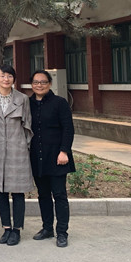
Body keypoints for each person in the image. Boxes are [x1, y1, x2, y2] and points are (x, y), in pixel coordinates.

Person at [0, 64, 34, 246]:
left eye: (9, 76)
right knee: (0, 190)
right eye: (2, 76)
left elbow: (28, 126)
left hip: (17, 150)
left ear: (14, 79)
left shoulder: (22, 99)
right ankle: (6, 227)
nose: (6, 79)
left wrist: (24, 147)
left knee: (18, 190)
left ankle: (17, 229)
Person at [29, 69, 76, 248]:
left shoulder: (60, 103)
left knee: (59, 194)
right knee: (43, 194)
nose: (39, 85)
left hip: (57, 156)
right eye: (36, 82)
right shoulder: (28, 103)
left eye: (43, 82)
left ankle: (62, 232)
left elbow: (68, 129)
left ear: (49, 84)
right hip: (37, 156)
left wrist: (64, 151)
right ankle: (47, 228)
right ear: (31, 84)